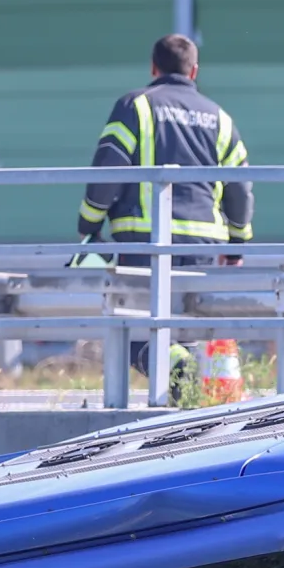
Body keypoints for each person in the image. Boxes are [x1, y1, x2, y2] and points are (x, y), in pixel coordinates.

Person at [75, 34, 254, 396]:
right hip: (205, 245)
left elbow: (108, 169)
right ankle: (204, 395)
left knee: (130, 325)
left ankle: (174, 369)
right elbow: (240, 187)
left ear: (154, 68)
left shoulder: (135, 106)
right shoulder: (219, 117)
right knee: (194, 322)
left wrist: (89, 226)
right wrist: (237, 243)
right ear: (195, 71)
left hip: (145, 242)